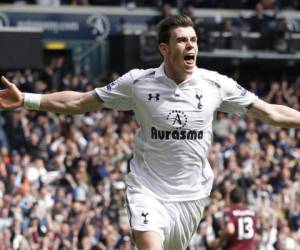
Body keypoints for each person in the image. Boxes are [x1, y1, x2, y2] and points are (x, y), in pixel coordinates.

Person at [0, 15, 300, 250]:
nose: (191, 46)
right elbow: (80, 101)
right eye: (182, 40)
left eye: (194, 40)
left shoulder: (216, 84)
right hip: (148, 189)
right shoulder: (138, 83)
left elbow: (271, 112)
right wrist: (27, 99)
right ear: (164, 49)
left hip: (191, 195)